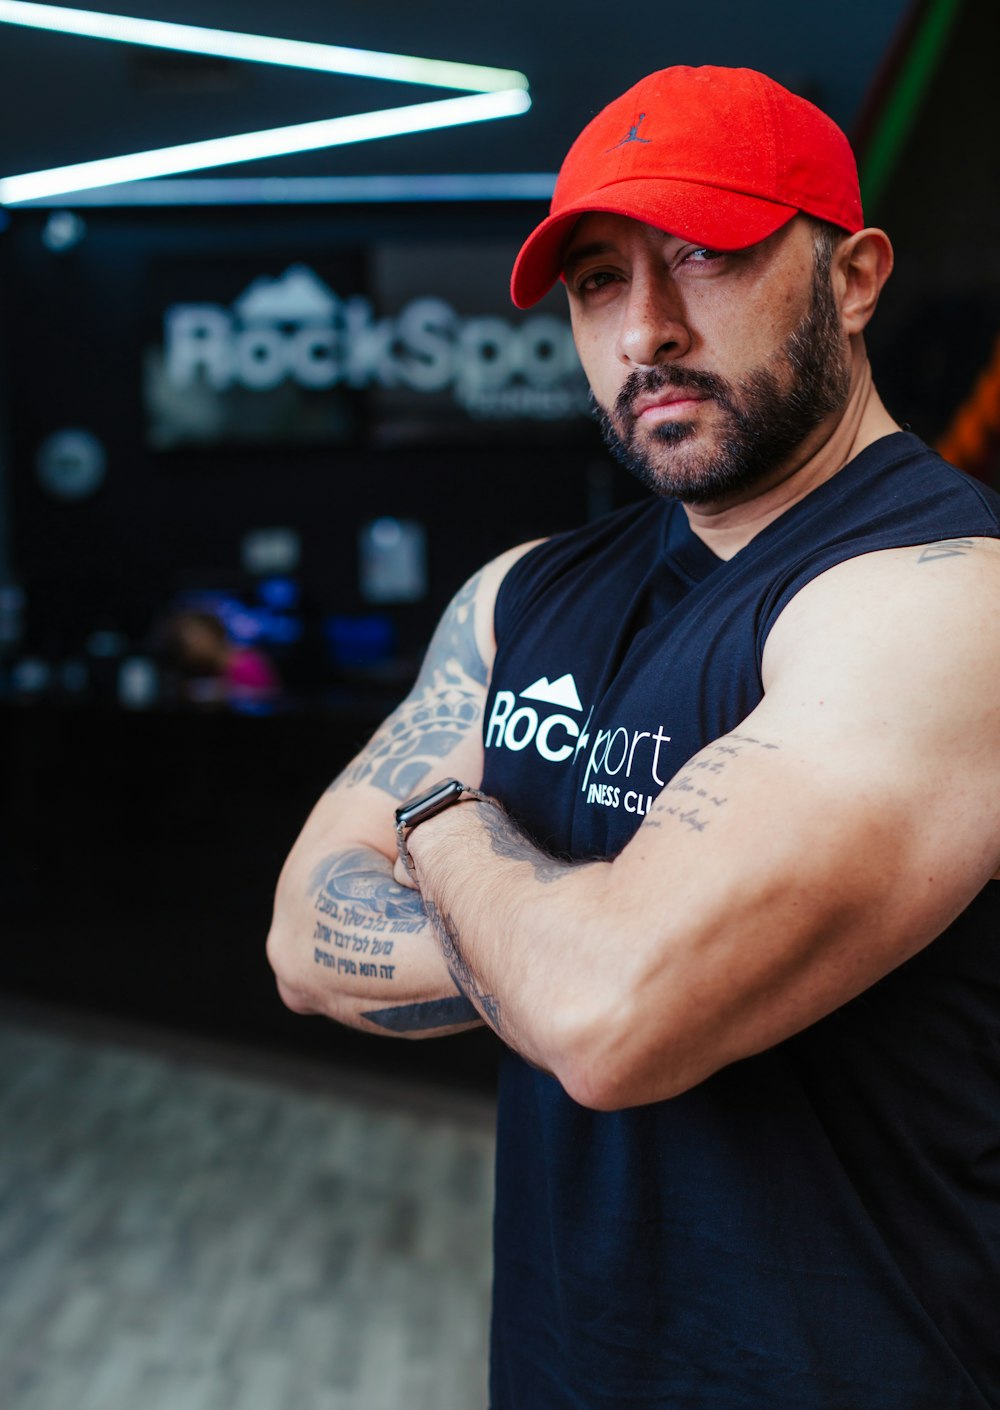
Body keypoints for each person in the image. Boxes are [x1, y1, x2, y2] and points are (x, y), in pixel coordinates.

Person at [267, 65, 1000, 1409]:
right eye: (599, 284)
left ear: (853, 275)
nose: (645, 331)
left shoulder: (952, 601)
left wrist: (440, 820)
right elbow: (304, 941)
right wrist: (555, 948)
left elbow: (606, 1019)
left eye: (705, 255)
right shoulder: (522, 592)